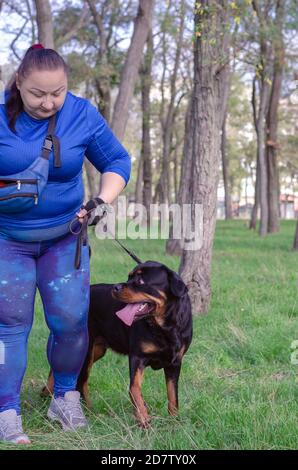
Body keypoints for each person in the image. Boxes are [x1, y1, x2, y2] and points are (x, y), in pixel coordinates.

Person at [0, 45, 131, 444]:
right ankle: (6, 409)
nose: (48, 102)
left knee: (72, 323)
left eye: (57, 92)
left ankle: (64, 396)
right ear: (19, 83)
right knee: (8, 327)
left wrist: (100, 201)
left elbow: (117, 161)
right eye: (38, 93)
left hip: (65, 240)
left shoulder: (81, 114)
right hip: (8, 242)